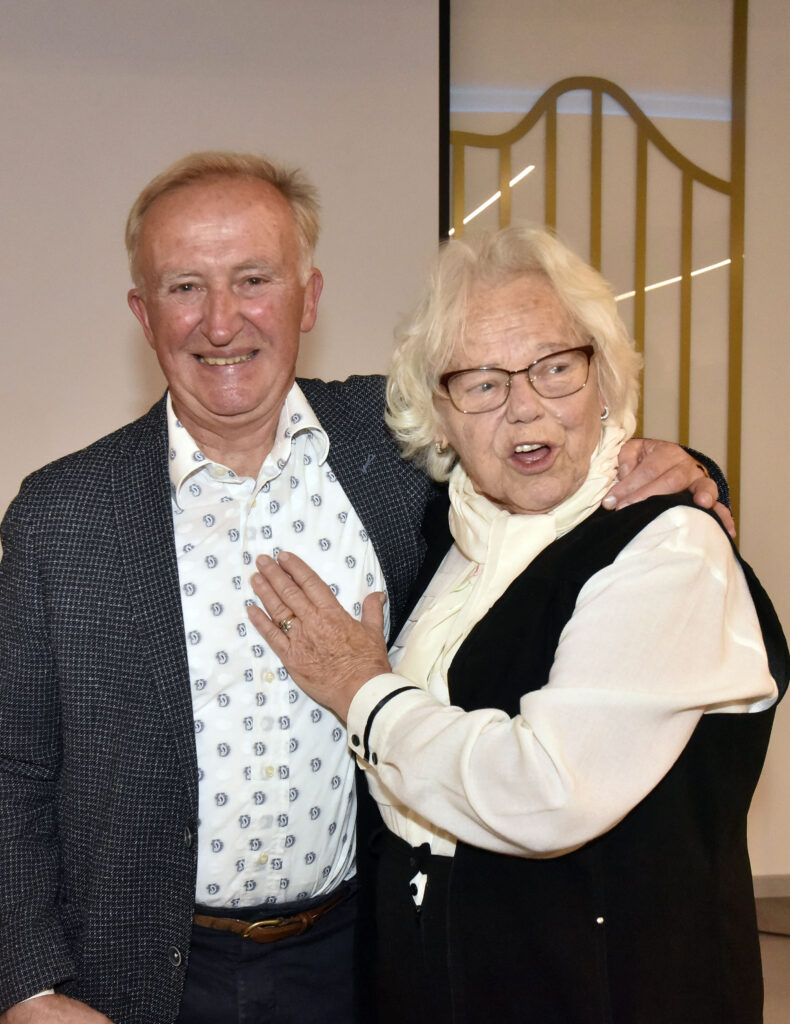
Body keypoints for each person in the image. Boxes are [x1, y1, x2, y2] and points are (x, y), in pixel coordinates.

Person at [0, 152, 725, 1024]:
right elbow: (14, 766)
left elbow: (542, 455)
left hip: (364, 959)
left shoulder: (396, 447)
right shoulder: (62, 515)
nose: (221, 321)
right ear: (143, 313)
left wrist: (678, 470)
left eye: (254, 279)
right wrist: (25, 985)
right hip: (138, 976)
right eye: (185, 286)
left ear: (308, 298)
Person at [248, 224, 789, 1024]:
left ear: (605, 378)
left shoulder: (670, 546)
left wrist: (362, 690)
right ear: (440, 415)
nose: (526, 405)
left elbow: (549, 789)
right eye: (482, 383)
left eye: (555, 367)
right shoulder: (450, 533)